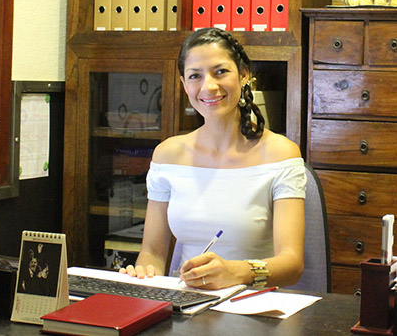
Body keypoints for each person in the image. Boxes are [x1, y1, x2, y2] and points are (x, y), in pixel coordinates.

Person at [119, 27, 306, 290]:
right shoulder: (168, 155)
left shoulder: (280, 153)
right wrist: (143, 273)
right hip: (187, 306)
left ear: (244, 76)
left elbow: (292, 264)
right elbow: (153, 252)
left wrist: (238, 271)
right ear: (185, 85)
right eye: (195, 76)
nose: (209, 86)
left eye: (221, 72)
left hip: (252, 310)